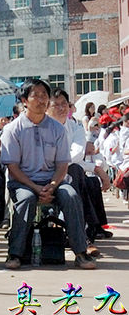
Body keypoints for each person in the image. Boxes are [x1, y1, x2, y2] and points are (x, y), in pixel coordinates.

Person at [0, 79, 96, 270]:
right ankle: (15, 253)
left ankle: (80, 252)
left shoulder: (57, 128)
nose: (41, 99)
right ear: (24, 101)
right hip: (23, 182)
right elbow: (13, 167)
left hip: (54, 181)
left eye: (44, 95)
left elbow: (62, 164)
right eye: (35, 95)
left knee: (70, 195)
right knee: (26, 198)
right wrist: (35, 188)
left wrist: (52, 185)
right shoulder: (12, 129)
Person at [47, 89, 109, 247]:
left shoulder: (75, 128)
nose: (61, 108)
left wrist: (95, 168)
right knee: (79, 175)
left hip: (68, 175)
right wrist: (94, 168)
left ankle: (81, 233)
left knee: (79, 175)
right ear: (47, 107)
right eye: (56, 105)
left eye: (64, 104)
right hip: (45, 176)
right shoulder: (41, 128)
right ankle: (84, 234)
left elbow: (76, 154)